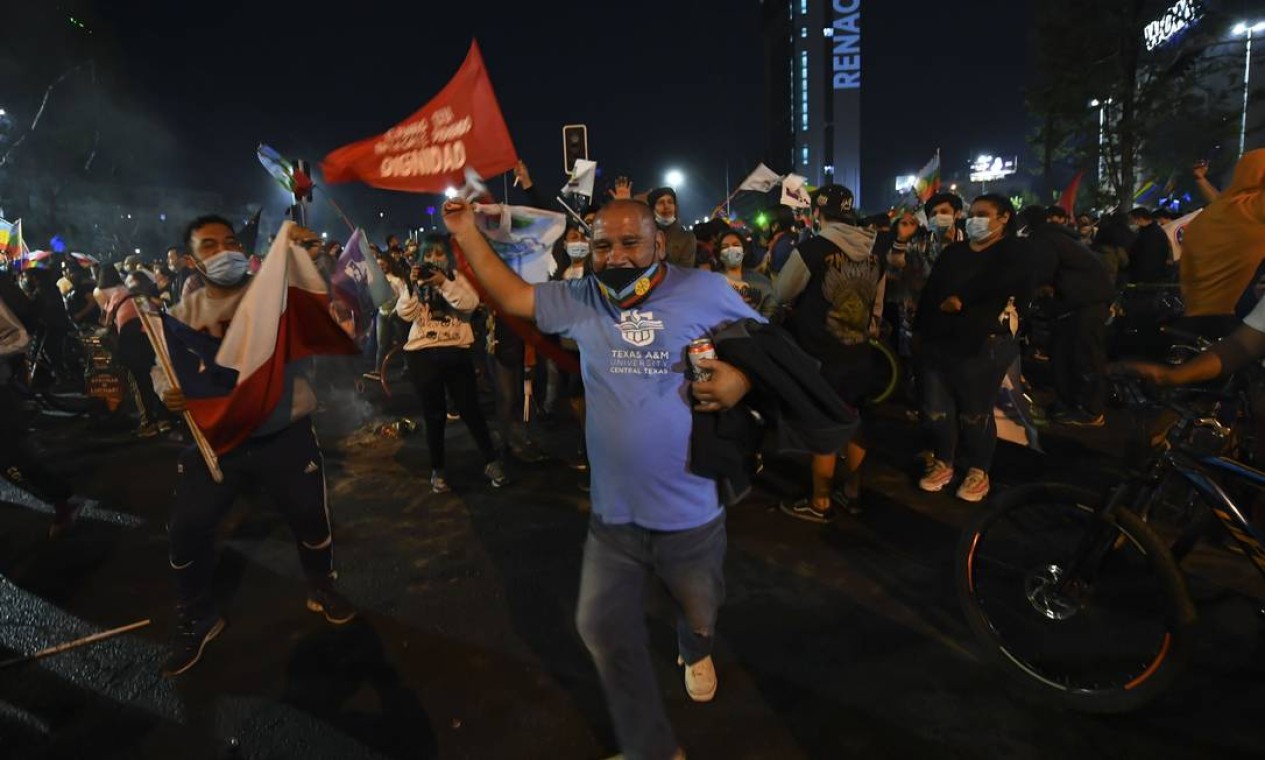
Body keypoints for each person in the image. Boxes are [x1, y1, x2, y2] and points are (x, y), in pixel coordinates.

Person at [444, 196, 758, 760]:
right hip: (613, 513)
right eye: (603, 244)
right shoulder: (582, 299)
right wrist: (467, 231)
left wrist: (738, 380)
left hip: (691, 510)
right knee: (601, 628)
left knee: (698, 610)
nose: (615, 256)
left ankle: (696, 648)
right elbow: (511, 295)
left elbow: (761, 356)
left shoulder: (703, 289)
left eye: (630, 242)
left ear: (658, 243)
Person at [155, 215, 356, 677]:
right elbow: (165, 370)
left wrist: (314, 256)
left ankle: (321, 585)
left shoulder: (276, 298)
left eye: (229, 242)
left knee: (310, 516)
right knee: (186, 527)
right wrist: (169, 392)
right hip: (218, 442)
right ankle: (196, 615)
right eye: (209, 246)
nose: (223, 251)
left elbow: (323, 300)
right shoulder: (181, 321)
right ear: (191, 260)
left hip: (284, 432)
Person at [774, 184, 883, 520]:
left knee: (824, 426)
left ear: (818, 213)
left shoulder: (812, 249)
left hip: (821, 354)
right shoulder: (873, 250)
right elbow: (876, 305)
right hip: (860, 351)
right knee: (855, 422)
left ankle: (820, 501)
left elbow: (781, 293)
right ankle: (852, 492)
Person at [914, 194, 1028, 502]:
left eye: (983, 214)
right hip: (940, 342)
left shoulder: (1013, 254)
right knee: (937, 409)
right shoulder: (954, 253)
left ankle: (978, 469)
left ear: (1004, 218)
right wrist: (921, 331)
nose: (974, 219)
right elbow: (932, 294)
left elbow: (999, 290)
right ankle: (944, 462)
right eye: (973, 213)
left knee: (974, 413)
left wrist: (962, 302)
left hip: (984, 345)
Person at [395, 234, 505, 492]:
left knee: (470, 409)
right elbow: (405, 313)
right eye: (429, 254)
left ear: (448, 255)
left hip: (456, 350)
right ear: (421, 258)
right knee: (434, 414)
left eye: (439, 253)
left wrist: (444, 283)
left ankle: (491, 460)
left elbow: (469, 304)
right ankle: (438, 469)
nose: (434, 259)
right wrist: (411, 287)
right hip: (422, 353)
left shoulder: (456, 278)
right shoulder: (412, 280)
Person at [1021, 206, 1115, 426]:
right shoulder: (1059, 237)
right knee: (1067, 356)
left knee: (1085, 358)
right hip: (1080, 303)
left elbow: (1042, 274)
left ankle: (1091, 411)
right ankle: (1071, 404)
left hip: (1084, 304)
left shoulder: (1044, 240)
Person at [1177, 148, 1265, 339]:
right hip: (1234, 315)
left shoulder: (1223, 209)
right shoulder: (1256, 208)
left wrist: (1200, 179)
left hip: (1196, 311)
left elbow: (1218, 200)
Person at [716, 229, 776, 318]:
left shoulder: (761, 282)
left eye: (736, 245)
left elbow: (772, 311)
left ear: (744, 251)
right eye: (725, 247)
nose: (731, 250)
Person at [646, 186, 698, 269]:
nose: (666, 206)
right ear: (652, 209)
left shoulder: (687, 238)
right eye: (660, 202)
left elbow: (684, 271)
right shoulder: (645, 235)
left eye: (670, 202)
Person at [1126, 206, 1173, 284]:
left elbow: (1147, 256)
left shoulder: (1152, 234)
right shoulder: (1155, 231)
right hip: (1152, 274)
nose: (1132, 223)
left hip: (1146, 276)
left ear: (1140, 219)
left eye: (1132, 220)